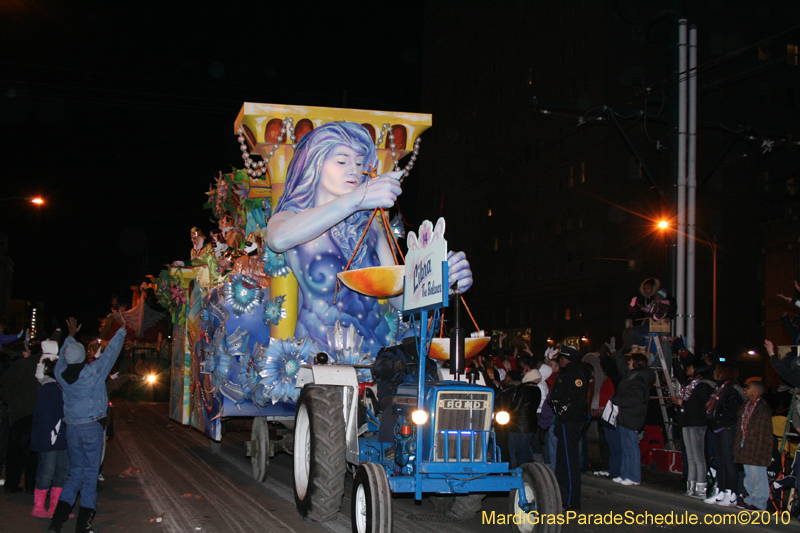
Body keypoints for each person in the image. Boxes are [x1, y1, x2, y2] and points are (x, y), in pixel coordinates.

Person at [265, 122, 472, 357]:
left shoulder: (370, 225)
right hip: (317, 356)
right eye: (342, 161)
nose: (353, 170)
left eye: (359, 162)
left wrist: (441, 283)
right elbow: (278, 240)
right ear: (315, 163)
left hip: (376, 353)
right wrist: (357, 198)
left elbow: (397, 297)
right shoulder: (291, 216)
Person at [49, 311, 127, 533]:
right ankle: (82, 526)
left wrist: (70, 336)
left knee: (75, 474)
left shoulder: (61, 374)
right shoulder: (93, 372)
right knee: (90, 477)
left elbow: (63, 359)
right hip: (92, 427)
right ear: (84, 356)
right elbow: (111, 353)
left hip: (72, 427)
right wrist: (121, 328)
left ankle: (56, 523)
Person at [31, 341, 69, 518]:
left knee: (62, 472)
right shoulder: (48, 389)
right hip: (51, 438)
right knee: (48, 472)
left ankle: (55, 508)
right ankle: (38, 507)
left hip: (61, 437)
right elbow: (44, 418)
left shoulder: (58, 388)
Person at [548, 346, 589, 511]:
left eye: (563, 358)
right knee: (562, 461)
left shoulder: (576, 374)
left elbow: (578, 401)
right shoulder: (566, 373)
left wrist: (564, 414)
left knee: (569, 461)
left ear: (569, 359)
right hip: (563, 421)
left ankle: (572, 499)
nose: (561, 360)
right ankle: (562, 496)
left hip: (570, 422)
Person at [607, 352, 654, 486]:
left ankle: (633, 476)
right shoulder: (633, 376)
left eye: (630, 361)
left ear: (635, 363)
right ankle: (625, 474)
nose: (628, 364)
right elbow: (622, 367)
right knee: (626, 446)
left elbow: (632, 399)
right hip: (626, 416)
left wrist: (615, 398)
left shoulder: (638, 380)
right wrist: (616, 355)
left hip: (632, 417)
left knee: (631, 447)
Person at [0, 339, 41, 494]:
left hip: (15, 416)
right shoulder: (27, 365)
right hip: (27, 414)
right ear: (24, 354)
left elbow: (3, 389)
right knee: (30, 452)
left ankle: (12, 484)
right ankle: (30, 485)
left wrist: (12, 403)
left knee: (14, 452)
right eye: (27, 349)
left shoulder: (11, 369)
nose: (29, 351)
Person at [703, 362, 745, 507]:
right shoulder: (719, 387)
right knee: (720, 462)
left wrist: (718, 416)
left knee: (728, 461)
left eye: (717, 370)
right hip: (717, 427)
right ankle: (721, 490)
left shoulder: (732, 389)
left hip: (726, 428)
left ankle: (731, 493)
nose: (714, 372)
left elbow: (734, 411)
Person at [673, 359, 716, 499]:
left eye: (690, 366)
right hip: (686, 422)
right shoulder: (690, 383)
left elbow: (701, 406)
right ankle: (691, 487)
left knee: (698, 457)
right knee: (691, 456)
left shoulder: (703, 385)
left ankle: (701, 487)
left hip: (697, 423)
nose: (687, 368)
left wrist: (683, 403)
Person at [733, 379, 773, 511]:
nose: (745, 389)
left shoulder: (762, 408)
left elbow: (763, 431)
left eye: (748, 388)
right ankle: (751, 499)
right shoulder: (747, 406)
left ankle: (759, 502)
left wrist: (758, 448)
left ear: (756, 392)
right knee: (749, 475)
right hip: (746, 445)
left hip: (756, 447)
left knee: (758, 476)